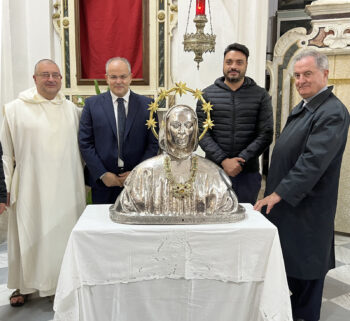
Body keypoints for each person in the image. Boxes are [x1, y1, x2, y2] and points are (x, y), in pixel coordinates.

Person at [254, 49, 350, 321]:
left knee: (306, 276)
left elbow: (312, 163)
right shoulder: (305, 107)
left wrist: (278, 193)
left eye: (307, 74)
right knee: (292, 272)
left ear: (325, 74)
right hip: (291, 208)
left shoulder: (332, 112)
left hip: (308, 211)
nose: (301, 80)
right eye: (297, 75)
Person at [0, 59, 86, 306]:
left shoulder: (71, 110)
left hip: (66, 186)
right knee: (28, 234)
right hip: (31, 186)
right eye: (45, 75)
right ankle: (23, 285)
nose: (51, 79)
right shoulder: (15, 109)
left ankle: (59, 284)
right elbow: (5, 152)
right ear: (34, 78)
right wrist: (4, 187)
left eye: (56, 75)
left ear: (61, 79)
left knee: (62, 236)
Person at [111, 105, 244, 223]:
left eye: (188, 125)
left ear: (195, 128)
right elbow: (127, 208)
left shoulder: (213, 173)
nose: (182, 131)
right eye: (175, 125)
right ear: (166, 129)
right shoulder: (144, 172)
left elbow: (227, 208)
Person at [196, 43, 273, 204]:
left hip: (247, 173)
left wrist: (241, 160)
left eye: (239, 62)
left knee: (245, 221)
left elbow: (265, 134)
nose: (233, 66)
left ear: (246, 65)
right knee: (212, 221)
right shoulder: (206, 95)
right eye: (229, 62)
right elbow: (201, 134)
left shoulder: (260, 95)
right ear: (223, 64)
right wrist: (224, 160)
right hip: (214, 171)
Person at [79, 57, 158, 204]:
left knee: (135, 226)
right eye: (113, 77)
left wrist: (137, 173)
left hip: (137, 183)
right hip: (103, 183)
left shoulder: (148, 105)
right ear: (106, 78)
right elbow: (85, 142)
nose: (118, 81)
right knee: (102, 225)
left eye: (123, 76)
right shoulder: (92, 105)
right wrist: (102, 174)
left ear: (130, 77)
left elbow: (153, 144)